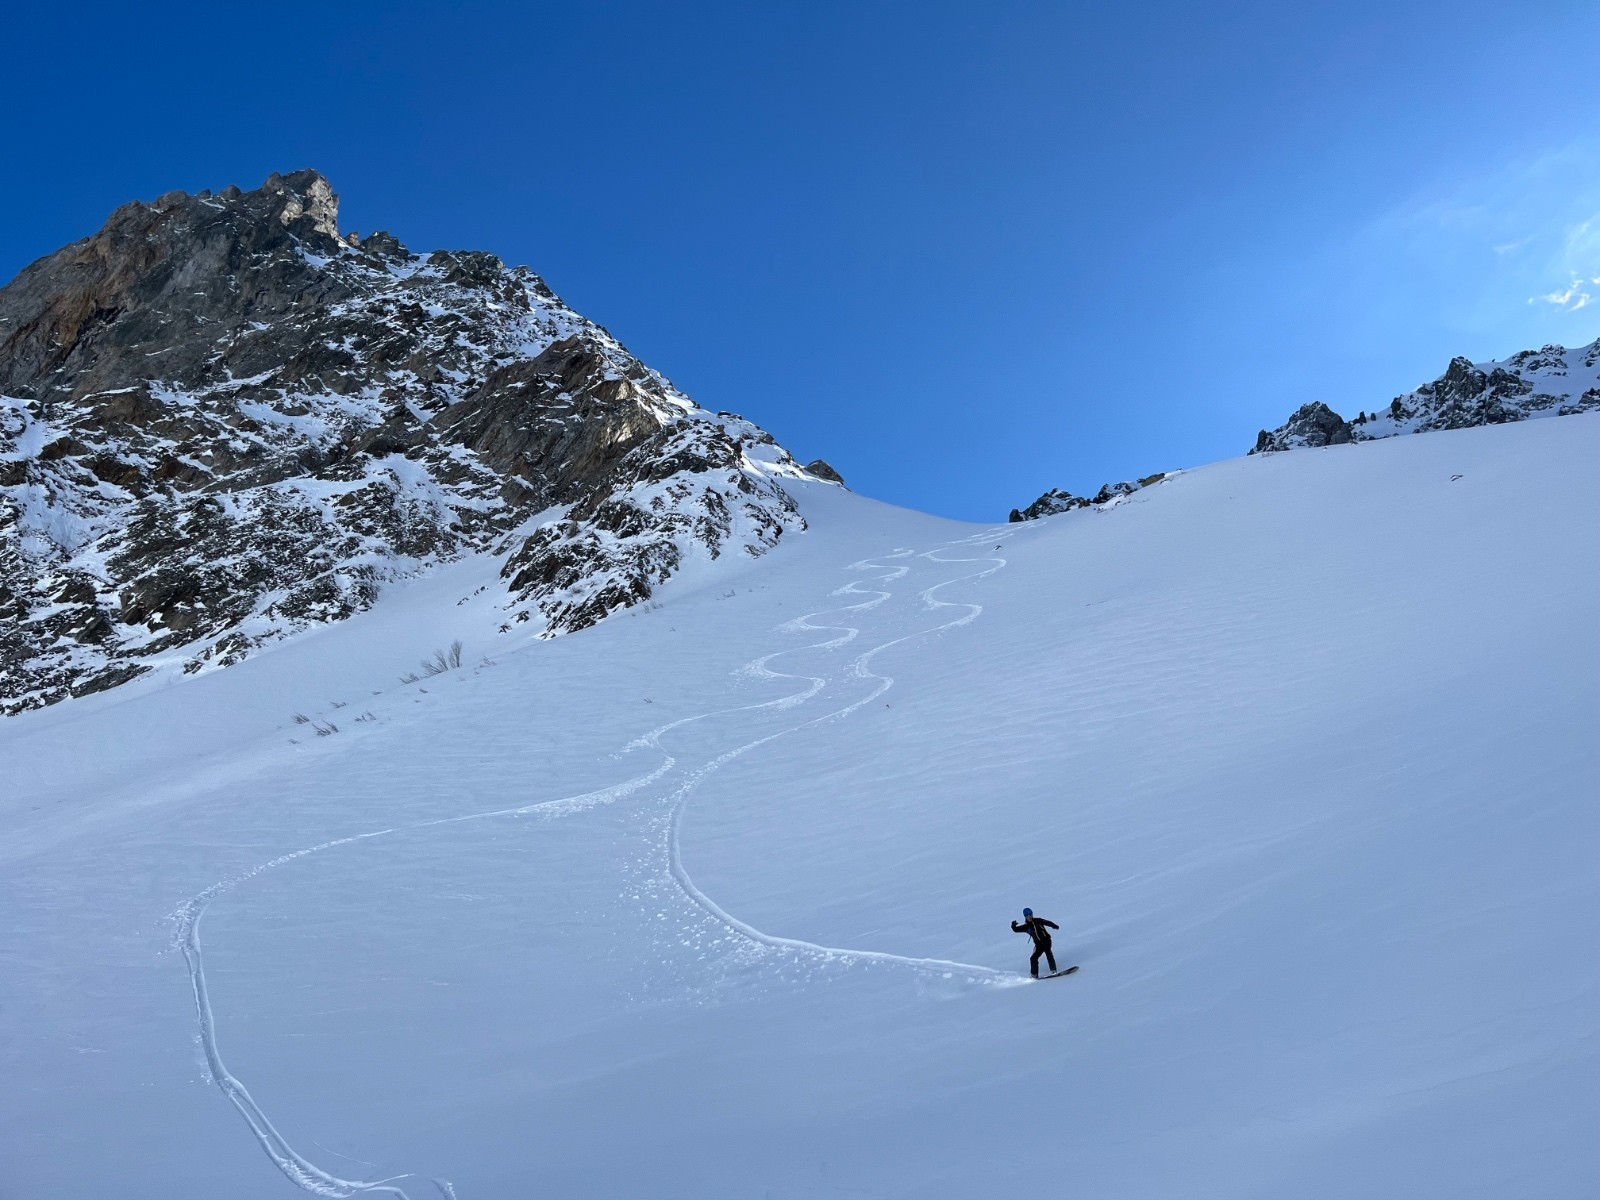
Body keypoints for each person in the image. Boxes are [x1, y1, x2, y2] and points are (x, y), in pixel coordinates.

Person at [1011, 907, 1059, 977]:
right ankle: (1034, 975)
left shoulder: (1038, 921)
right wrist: (1013, 926)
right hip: (1038, 945)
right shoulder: (1026, 927)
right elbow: (1016, 930)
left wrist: (1054, 925)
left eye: (1031, 915)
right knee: (1033, 958)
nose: (1030, 917)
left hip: (1046, 941)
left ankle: (1053, 971)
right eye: (1027, 916)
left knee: (1048, 954)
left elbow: (1047, 922)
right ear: (1025, 917)